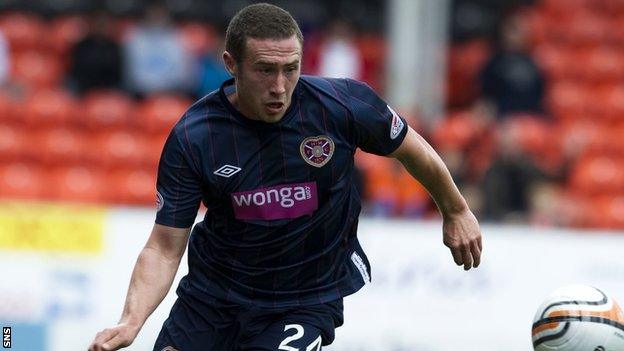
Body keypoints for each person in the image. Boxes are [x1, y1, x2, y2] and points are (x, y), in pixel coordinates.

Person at [88, 3, 482, 351]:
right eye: (264, 70)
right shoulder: (196, 136)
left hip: (305, 298)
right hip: (214, 297)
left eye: (290, 69)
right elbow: (164, 246)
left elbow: (411, 148)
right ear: (231, 64)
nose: (279, 87)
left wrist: (455, 209)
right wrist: (132, 321)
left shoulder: (342, 105)